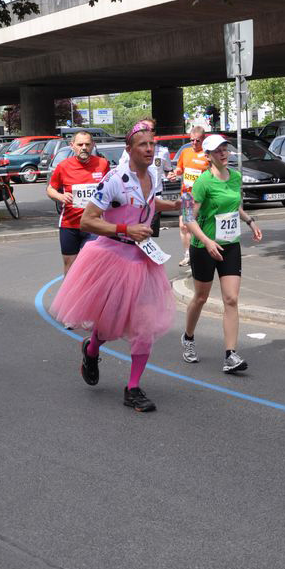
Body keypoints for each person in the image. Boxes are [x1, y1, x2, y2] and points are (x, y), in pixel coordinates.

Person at [50, 121, 180, 412]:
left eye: (152, 144)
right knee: (110, 324)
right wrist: (125, 228)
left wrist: (169, 206)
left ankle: (133, 388)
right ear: (129, 149)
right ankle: (92, 350)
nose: (149, 149)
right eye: (143, 145)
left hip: (144, 260)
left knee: (144, 326)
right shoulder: (115, 179)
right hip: (114, 258)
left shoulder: (153, 175)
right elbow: (88, 221)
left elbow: (147, 202)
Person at [180, 133, 262, 372]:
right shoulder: (202, 183)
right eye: (217, 151)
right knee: (201, 298)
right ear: (208, 156)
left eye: (225, 148)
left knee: (231, 299)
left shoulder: (235, 177)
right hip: (204, 247)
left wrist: (250, 221)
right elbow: (188, 218)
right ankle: (188, 337)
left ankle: (230, 355)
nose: (223, 153)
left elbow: (234, 203)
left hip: (230, 244)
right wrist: (206, 241)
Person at [46, 130, 110, 274]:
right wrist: (60, 196)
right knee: (70, 264)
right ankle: (69, 295)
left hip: (94, 224)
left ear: (93, 145)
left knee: (93, 263)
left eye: (87, 144)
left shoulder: (102, 164)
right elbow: (50, 189)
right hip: (70, 224)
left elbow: (111, 189)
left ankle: (91, 294)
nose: (84, 147)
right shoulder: (63, 166)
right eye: (80, 144)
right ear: (72, 146)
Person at [118, 117, 171, 237]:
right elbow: (121, 171)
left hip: (155, 197)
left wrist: (170, 174)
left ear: (154, 132)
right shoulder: (129, 151)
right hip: (134, 197)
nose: (146, 131)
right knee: (135, 234)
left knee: (149, 237)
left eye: (150, 129)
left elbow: (168, 170)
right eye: (143, 128)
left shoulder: (163, 151)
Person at [172, 125, 209, 266]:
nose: (194, 143)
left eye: (197, 141)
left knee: (200, 226)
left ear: (203, 140)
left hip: (202, 197)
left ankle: (201, 252)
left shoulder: (207, 154)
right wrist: (175, 173)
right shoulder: (185, 152)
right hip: (187, 196)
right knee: (184, 226)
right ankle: (188, 255)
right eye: (192, 140)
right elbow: (179, 168)